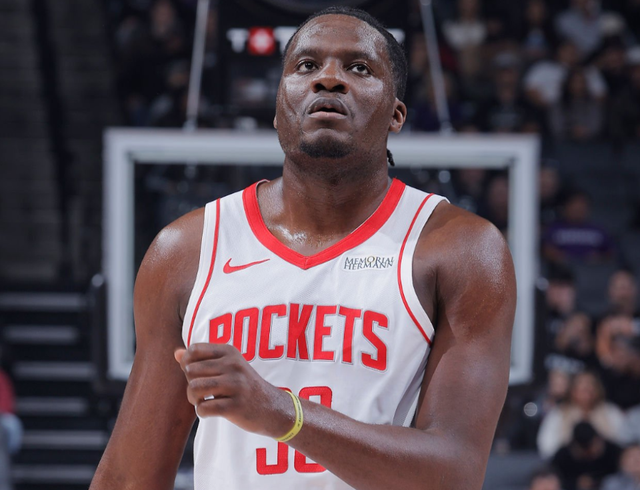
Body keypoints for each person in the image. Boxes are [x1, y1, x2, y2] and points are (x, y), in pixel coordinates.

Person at [90, 7, 516, 489]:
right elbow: (130, 477)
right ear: (278, 110)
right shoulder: (186, 250)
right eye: (307, 65)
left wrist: (282, 413)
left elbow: (455, 473)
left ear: (396, 114)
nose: (328, 79)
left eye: (359, 68)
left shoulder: (460, 249)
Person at [537, 371, 625, 459]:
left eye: (591, 385)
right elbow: (546, 447)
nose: (587, 389)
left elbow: (623, 442)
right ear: (572, 390)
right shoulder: (559, 413)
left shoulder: (610, 411)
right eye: (582, 386)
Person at [552, 421, 622, 490]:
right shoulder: (562, 457)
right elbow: (556, 479)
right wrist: (575, 483)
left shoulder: (613, 451)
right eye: (589, 450)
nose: (595, 450)